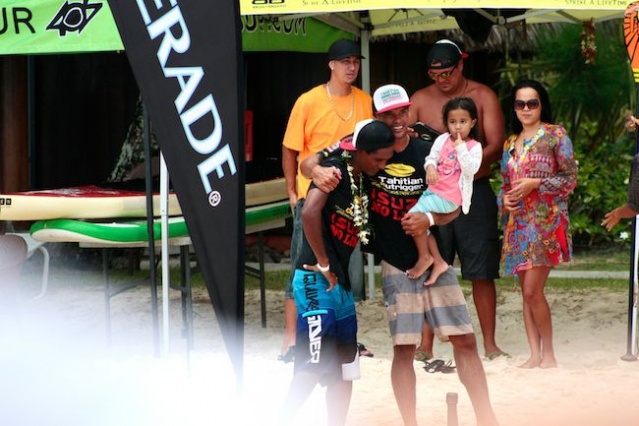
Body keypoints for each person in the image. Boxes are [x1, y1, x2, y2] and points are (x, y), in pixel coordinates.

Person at [302, 84, 499, 426]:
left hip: (435, 261)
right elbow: (310, 161)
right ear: (375, 117)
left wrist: (430, 219)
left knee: (465, 341)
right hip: (395, 262)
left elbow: (455, 204)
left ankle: (487, 419)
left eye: (402, 112)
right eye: (388, 114)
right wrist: (315, 171)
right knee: (404, 349)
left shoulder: (430, 149)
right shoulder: (364, 146)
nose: (397, 120)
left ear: (410, 111)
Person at [278, 119, 395, 425]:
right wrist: (323, 261)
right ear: (361, 152)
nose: (382, 166)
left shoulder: (358, 167)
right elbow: (308, 212)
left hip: (338, 283)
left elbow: (331, 148)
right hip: (315, 278)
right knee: (313, 363)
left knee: (346, 366)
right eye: (378, 159)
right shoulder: (334, 171)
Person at [409, 39, 507, 361]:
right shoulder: (420, 100)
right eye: (435, 75)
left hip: (473, 190)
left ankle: (490, 344)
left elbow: (496, 145)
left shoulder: (483, 95)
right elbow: (405, 142)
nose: (442, 80)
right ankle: (425, 344)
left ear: (461, 65)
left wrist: (465, 167)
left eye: (447, 73)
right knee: (431, 265)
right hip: (435, 194)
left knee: (481, 269)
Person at [280, 38, 373, 362]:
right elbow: (290, 148)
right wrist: (292, 192)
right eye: (345, 61)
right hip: (313, 199)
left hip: (349, 200)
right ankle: (291, 340)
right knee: (302, 267)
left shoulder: (365, 100)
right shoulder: (308, 101)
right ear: (331, 64)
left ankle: (345, 338)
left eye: (355, 61)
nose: (351, 67)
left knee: (344, 270)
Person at [499, 79, 578, 369]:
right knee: (526, 294)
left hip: (547, 223)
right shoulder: (510, 142)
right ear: (514, 107)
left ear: (541, 105)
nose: (526, 108)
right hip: (518, 225)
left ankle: (550, 355)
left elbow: (570, 179)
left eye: (532, 103)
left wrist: (536, 183)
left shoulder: (556, 135)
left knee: (533, 291)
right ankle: (535, 354)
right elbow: (505, 184)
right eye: (520, 103)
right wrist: (504, 200)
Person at [406, 97, 482, 286]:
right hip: (434, 191)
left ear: (473, 122)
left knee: (413, 218)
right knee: (418, 223)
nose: (457, 127)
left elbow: (471, 170)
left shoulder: (474, 147)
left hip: (450, 197)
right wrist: (431, 168)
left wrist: (461, 149)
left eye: (463, 121)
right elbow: (431, 158)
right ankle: (438, 261)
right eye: (452, 122)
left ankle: (425, 257)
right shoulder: (442, 139)